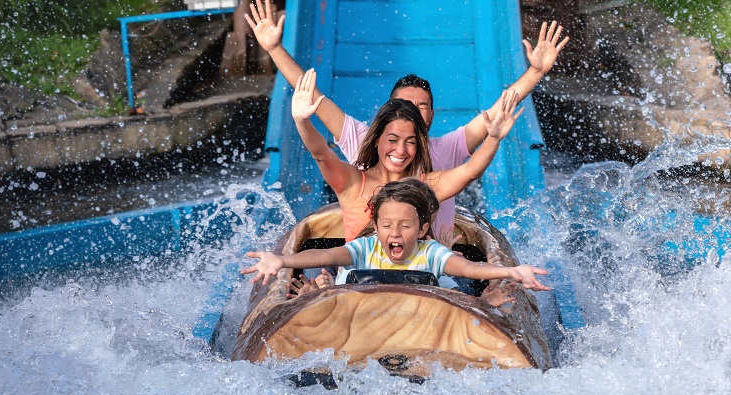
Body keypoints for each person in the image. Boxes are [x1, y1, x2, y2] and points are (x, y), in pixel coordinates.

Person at [245, 0, 570, 237]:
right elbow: (312, 100)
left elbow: (494, 120)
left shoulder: (444, 156)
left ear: (432, 115)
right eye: (404, 105)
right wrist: (274, 50)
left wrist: (535, 72)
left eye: (422, 106)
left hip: (431, 263)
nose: (412, 111)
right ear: (389, 116)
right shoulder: (358, 159)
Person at [290, 69, 521, 242]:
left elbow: (471, 171)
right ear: (377, 138)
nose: (400, 151)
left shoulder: (426, 186)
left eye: (410, 142)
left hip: (417, 287)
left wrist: (493, 139)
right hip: (359, 287)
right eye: (392, 140)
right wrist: (302, 121)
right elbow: (320, 153)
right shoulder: (353, 182)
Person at [242, 179, 552, 295]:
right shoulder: (366, 248)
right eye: (387, 224)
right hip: (366, 316)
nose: (395, 232)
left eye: (405, 226)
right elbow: (323, 256)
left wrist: (512, 271)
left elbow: (471, 269)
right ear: (375, 228)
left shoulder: (430, 253)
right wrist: (281, 259)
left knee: (460, 292)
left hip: (416, 320)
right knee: (325, 285)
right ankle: (319, 292)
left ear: (422, 230)